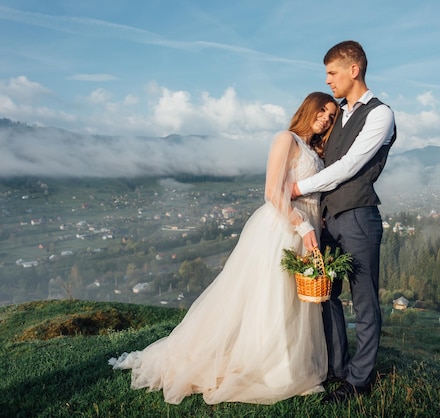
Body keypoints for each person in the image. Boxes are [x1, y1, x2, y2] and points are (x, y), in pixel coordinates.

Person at [109, 92, 339, 405]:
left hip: (306, 228)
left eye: (331, 115)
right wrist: (302, 225)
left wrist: (317, 221)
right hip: (285, 228)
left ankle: (288, 364)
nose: (326, 118)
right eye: (323, 111)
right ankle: (271, 367)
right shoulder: (287, 139)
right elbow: (273, 191)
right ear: (308, 108)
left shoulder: (314, 147)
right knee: (272, 297)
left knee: (294, 301)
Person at [292, 40, 396, 403]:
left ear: (354, 70)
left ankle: (359, 381)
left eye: (332, 72)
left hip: (358, 217)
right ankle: (337, 368)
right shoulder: (336, 113)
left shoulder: (381, 114)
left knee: (364, 300)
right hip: (326, 221)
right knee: (326, 296)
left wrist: (297, 187)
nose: (328, 80)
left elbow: (349, 166)